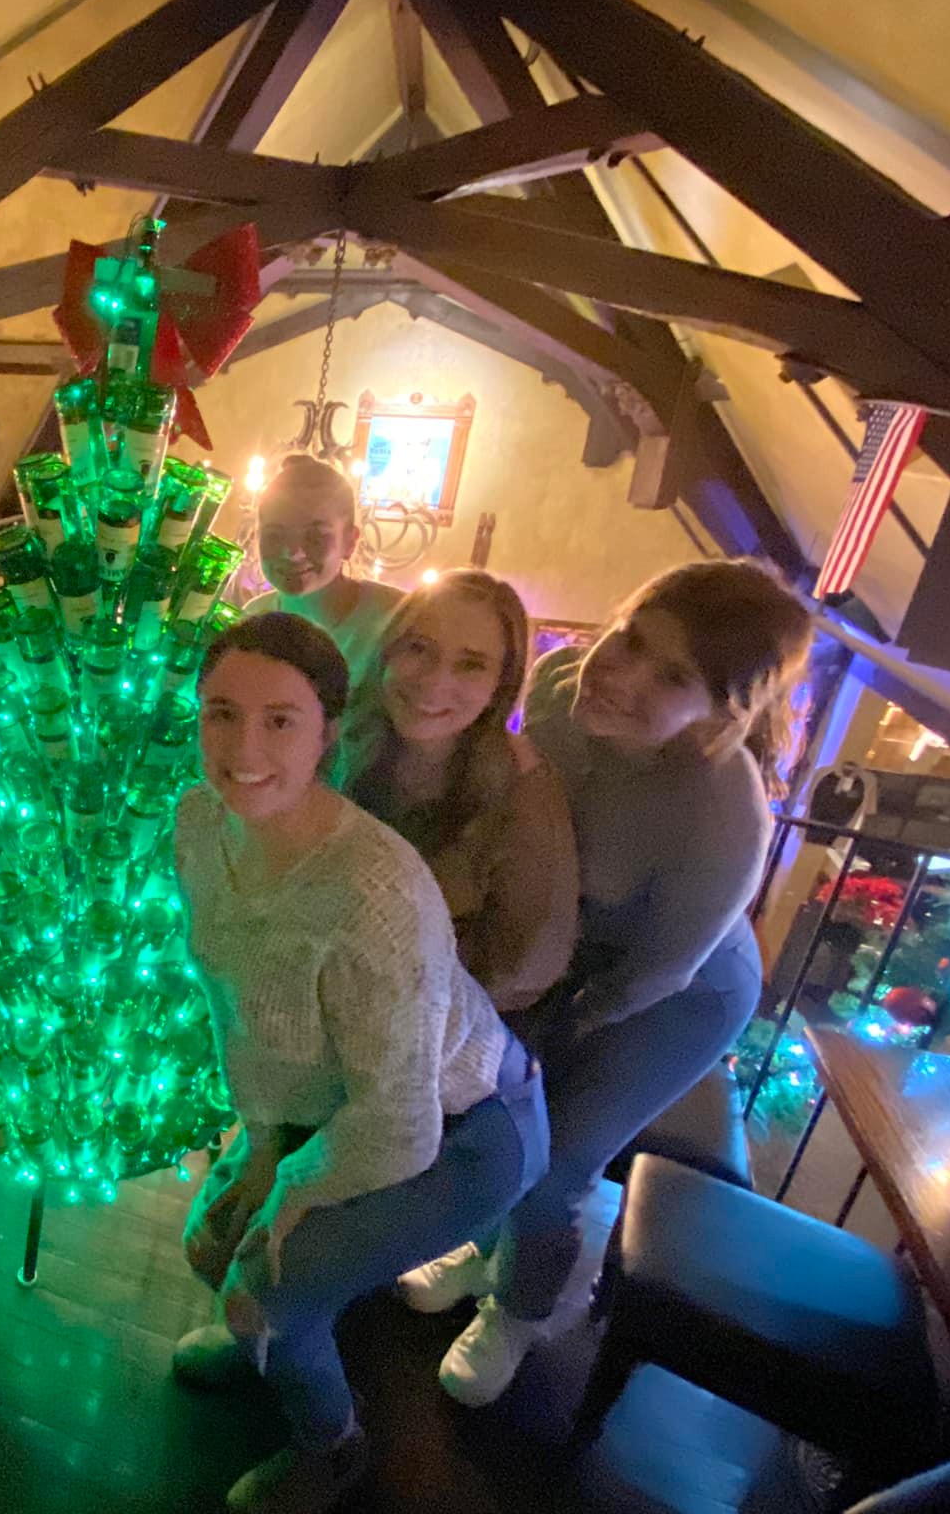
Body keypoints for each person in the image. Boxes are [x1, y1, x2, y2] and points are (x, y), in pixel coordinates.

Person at [170, 612, 548, 1514]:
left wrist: (287, 1193)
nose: (243, 749)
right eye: (222, 714)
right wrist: (260, 1149)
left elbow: (400, 1123)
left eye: (280, 721)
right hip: (333, 1109)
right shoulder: (198, 823)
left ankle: (331, 1448)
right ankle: (265, 1341)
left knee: (266, 1294)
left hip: (462, 1128)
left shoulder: (376, 892)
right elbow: (236, 1010)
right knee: (211, 1243)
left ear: (327, 735)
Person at [422, 558, 812, 1406]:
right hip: (566, 954)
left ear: (724, 712)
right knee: (495, 1116)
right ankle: (483, 1248)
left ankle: (520, 1312)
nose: (621, 674)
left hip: (673, 993)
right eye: (630, 638)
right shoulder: (560, 683)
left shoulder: (726, 811)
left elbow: (660, 972)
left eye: (671, 677)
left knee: (560, 1156)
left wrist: (558, 1027)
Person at [340, 571, 577, 1014]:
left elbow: (527, 968)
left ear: (499, 686)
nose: (434, 681)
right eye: (418, 648)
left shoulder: (523, 794)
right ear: (388, 650)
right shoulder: (337, 739)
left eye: (470, 665)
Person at [242, 455, 404, 686]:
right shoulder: (251, 620)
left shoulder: (396, 618)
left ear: (350, 542)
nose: (292, 552)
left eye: (315, 536)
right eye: (275, 535)